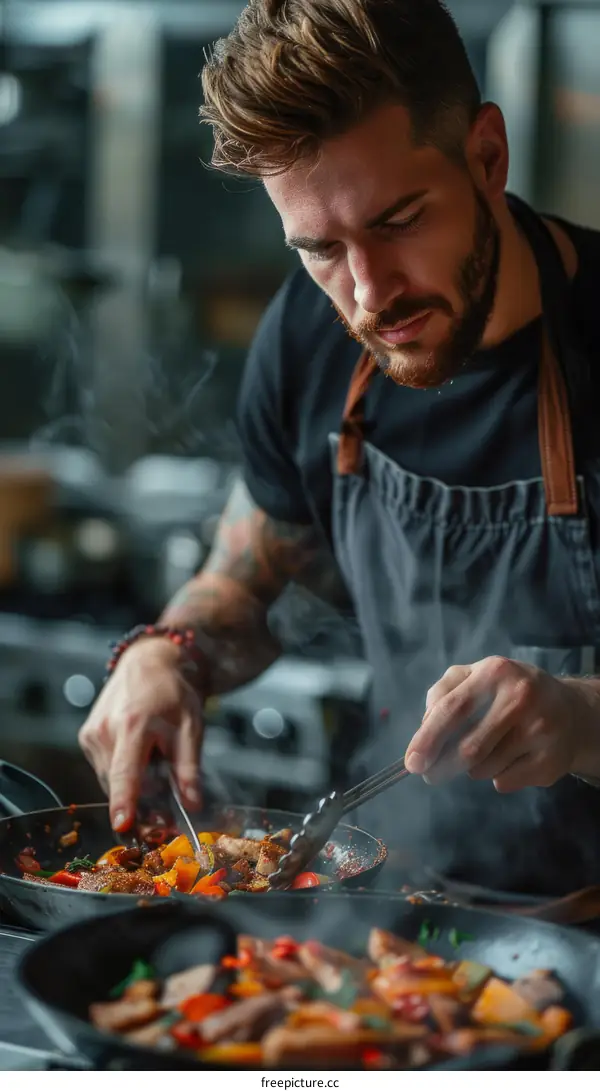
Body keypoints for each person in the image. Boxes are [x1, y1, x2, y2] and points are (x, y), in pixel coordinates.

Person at [80, 0, 600, 896]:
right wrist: (165, 653)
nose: (368, 294)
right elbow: (248, 578)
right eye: (320, 249)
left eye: (398, 220)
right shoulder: (309, 340)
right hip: (392, 904)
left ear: (486, 156)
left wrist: (583, 717)